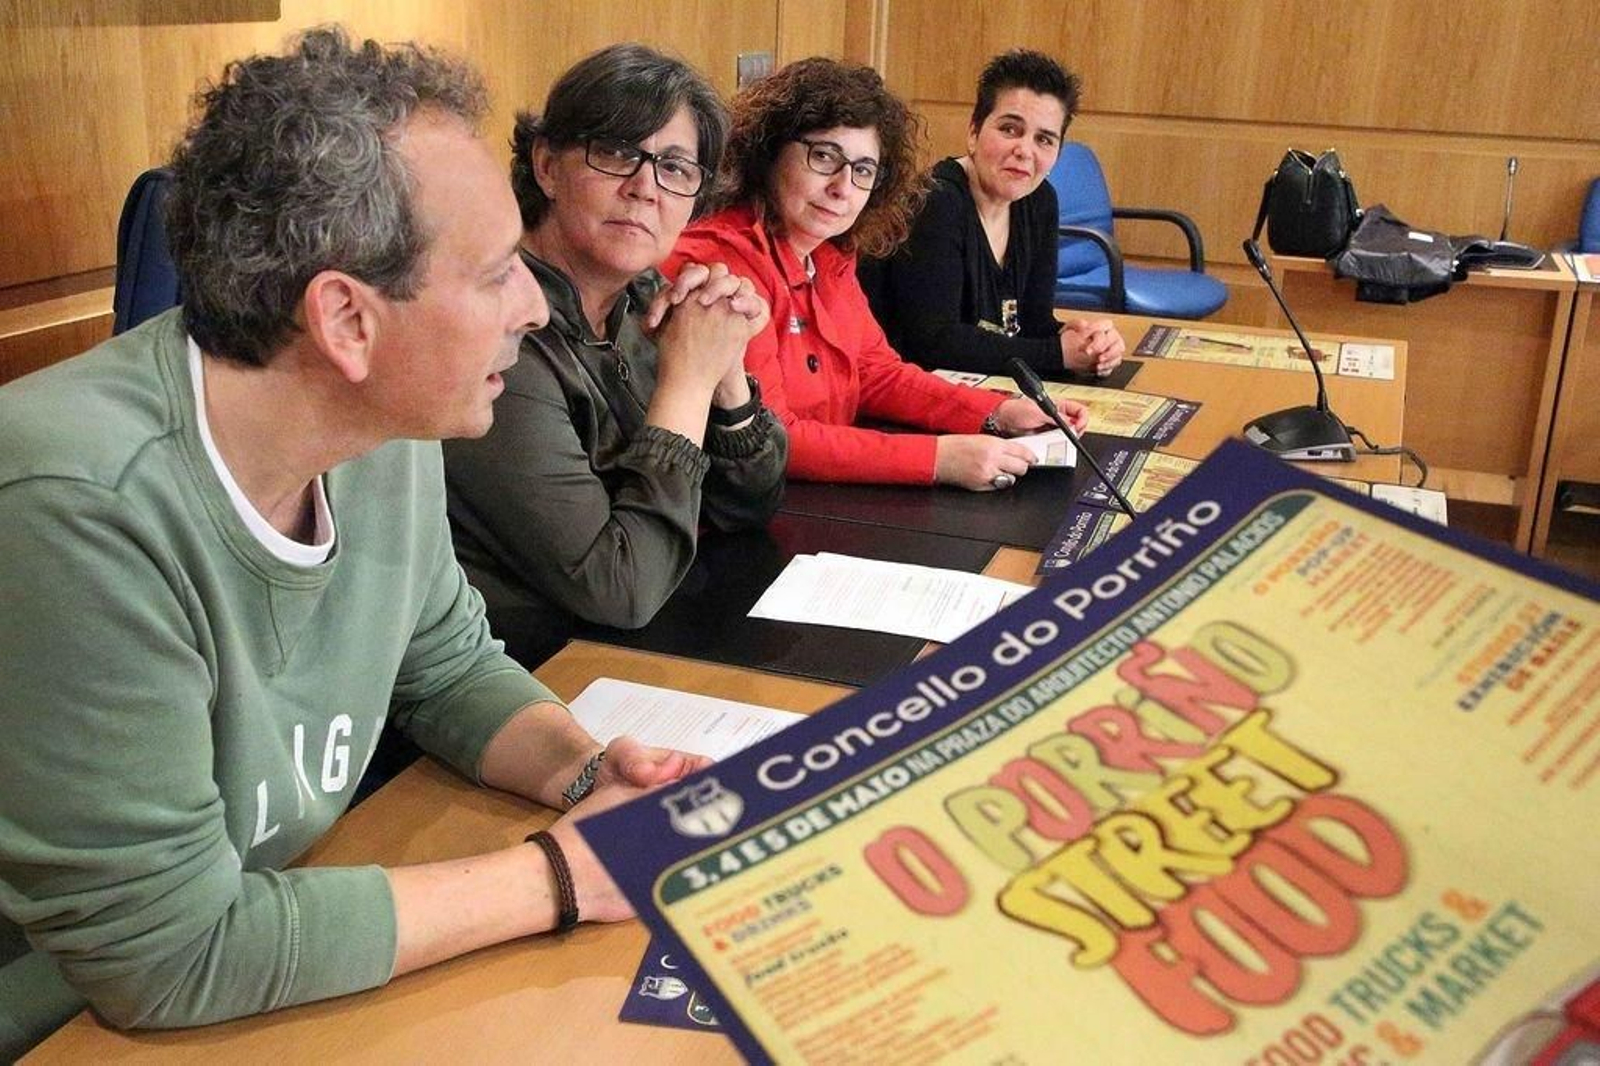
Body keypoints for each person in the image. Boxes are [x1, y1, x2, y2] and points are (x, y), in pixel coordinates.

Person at [0, 28, 707, 1055]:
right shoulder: (71, 505)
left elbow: (444, 664)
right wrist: (561, 875)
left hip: (276, 940)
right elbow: (167, 954)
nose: (528, 306)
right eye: (498, 271)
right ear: (347, 321)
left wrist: (591, 777)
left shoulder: (376, 423)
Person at [444, 45, 784, 667]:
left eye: (676, 168)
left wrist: (726, 371)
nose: (645, 188)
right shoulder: (498, 340)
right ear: (546, 165)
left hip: (643, 649)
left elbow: (747, 505)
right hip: (526, 674)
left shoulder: (647, 300)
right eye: (618, 153)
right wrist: (685, 383)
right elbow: (619, 587)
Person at [667, 57, 1088, 492]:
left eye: (863, 170)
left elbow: (875, 372)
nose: (843, 188)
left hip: (819, 494)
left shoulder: (829, 252)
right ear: (769, 151)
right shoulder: (722, 263)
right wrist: (937, 459)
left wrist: (996, 412)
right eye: (824, 156)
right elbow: (774, 437)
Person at [859, 49, 1126, 379]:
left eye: (1044, 139)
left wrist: (1082, 343)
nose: (1024, 151)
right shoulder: (934, 201)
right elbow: (933, 342)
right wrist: (1056, 354)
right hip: (897, 388)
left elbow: (1030, 324)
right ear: (973, 133)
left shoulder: (1040, 201)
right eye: (1011, 129)